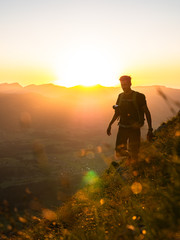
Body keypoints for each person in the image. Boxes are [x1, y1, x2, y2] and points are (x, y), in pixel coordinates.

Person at [107, 75, 153, 161]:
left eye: (125, 84)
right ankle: (129, 157)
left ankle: (135, 167)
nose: (123, 87)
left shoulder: (139, 96)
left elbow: (147, 112)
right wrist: (110, 124)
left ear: (130, 84)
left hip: (134, 128)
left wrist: (150, 129)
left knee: (134, 152)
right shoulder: (120, 96)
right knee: (119, 152)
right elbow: (117, 112)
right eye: (122, 85)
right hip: (122, 127)